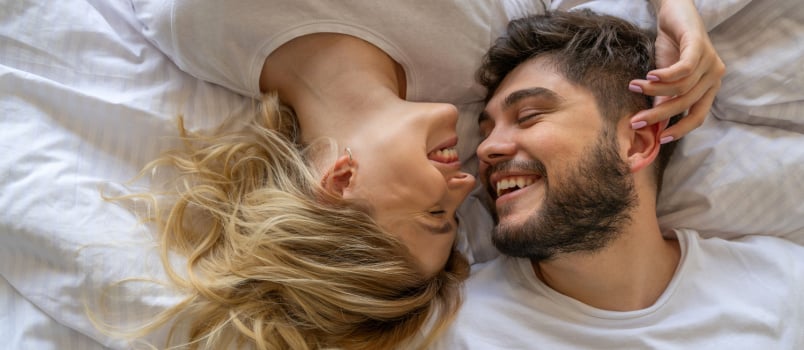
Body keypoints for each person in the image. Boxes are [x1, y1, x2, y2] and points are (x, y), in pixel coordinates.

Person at [123, 1, 725, 349]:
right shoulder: (481, 51)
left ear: (339, 183)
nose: (468, 181)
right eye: (452, 219)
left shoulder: (196, 24)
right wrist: (677, 11)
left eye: (434, 214)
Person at [434, 10, 804, 349]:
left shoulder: (784, 288)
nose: (486, 150)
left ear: (637, 143)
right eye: (485, 132)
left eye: (528, 116)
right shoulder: (447, 328)